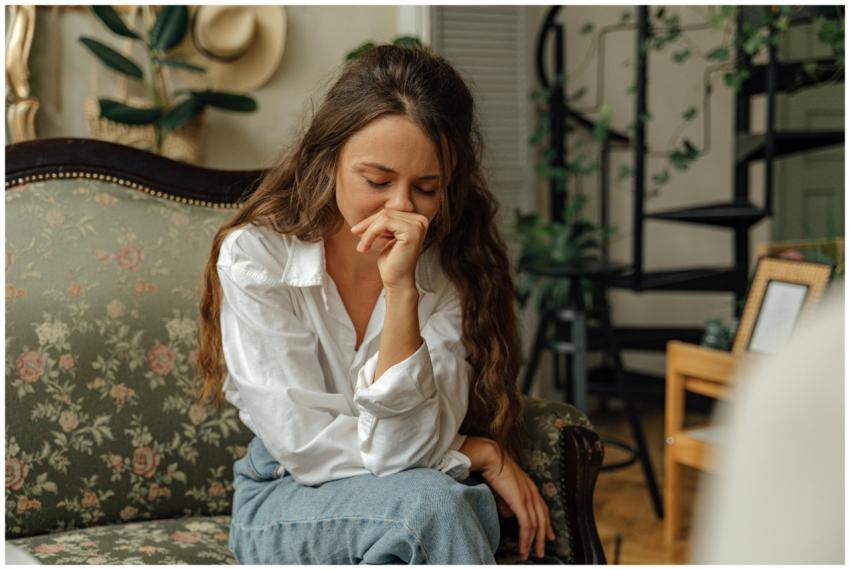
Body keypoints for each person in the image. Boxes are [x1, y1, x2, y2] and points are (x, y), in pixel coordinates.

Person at [194, 44, 554, 564]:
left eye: (426, 189)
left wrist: (401, 291)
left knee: (447, 507)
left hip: (415, 497)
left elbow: (407, 450)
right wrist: (472, 452)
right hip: (285, 496)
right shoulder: (257, 257)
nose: (402, 208)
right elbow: (306, 443)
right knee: (437, 507)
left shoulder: (445, 272)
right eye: (378, 181)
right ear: (329, 160)